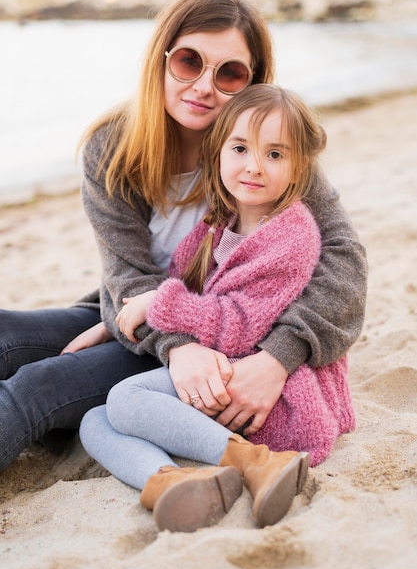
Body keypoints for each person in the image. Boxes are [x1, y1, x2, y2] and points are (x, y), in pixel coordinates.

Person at [0, 0, 367, 474]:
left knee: (35, 388)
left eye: (230, 73)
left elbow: (345, 258)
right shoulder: (112, 149)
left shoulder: (263, 154)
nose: (204, 86)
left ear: (252, 81)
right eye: (190, 61)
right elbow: (127, 277)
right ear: (162, 59)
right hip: (146, 312)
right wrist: (154, 336)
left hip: (224, 336)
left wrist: (278, 357)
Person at [80, 84, 356, 533]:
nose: (253, 166)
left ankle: (258, 463)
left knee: (126, 399)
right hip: (226, 368)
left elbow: (240, 325)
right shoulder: (218, 223)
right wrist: (114, 320)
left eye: (274, 155)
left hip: (267, 389)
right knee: (94, 421)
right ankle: (169, 484)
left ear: (300, 167)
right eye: (241, 148)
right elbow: (180, 283)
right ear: (218, 152)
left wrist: (158, 305)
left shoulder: (290, 236)